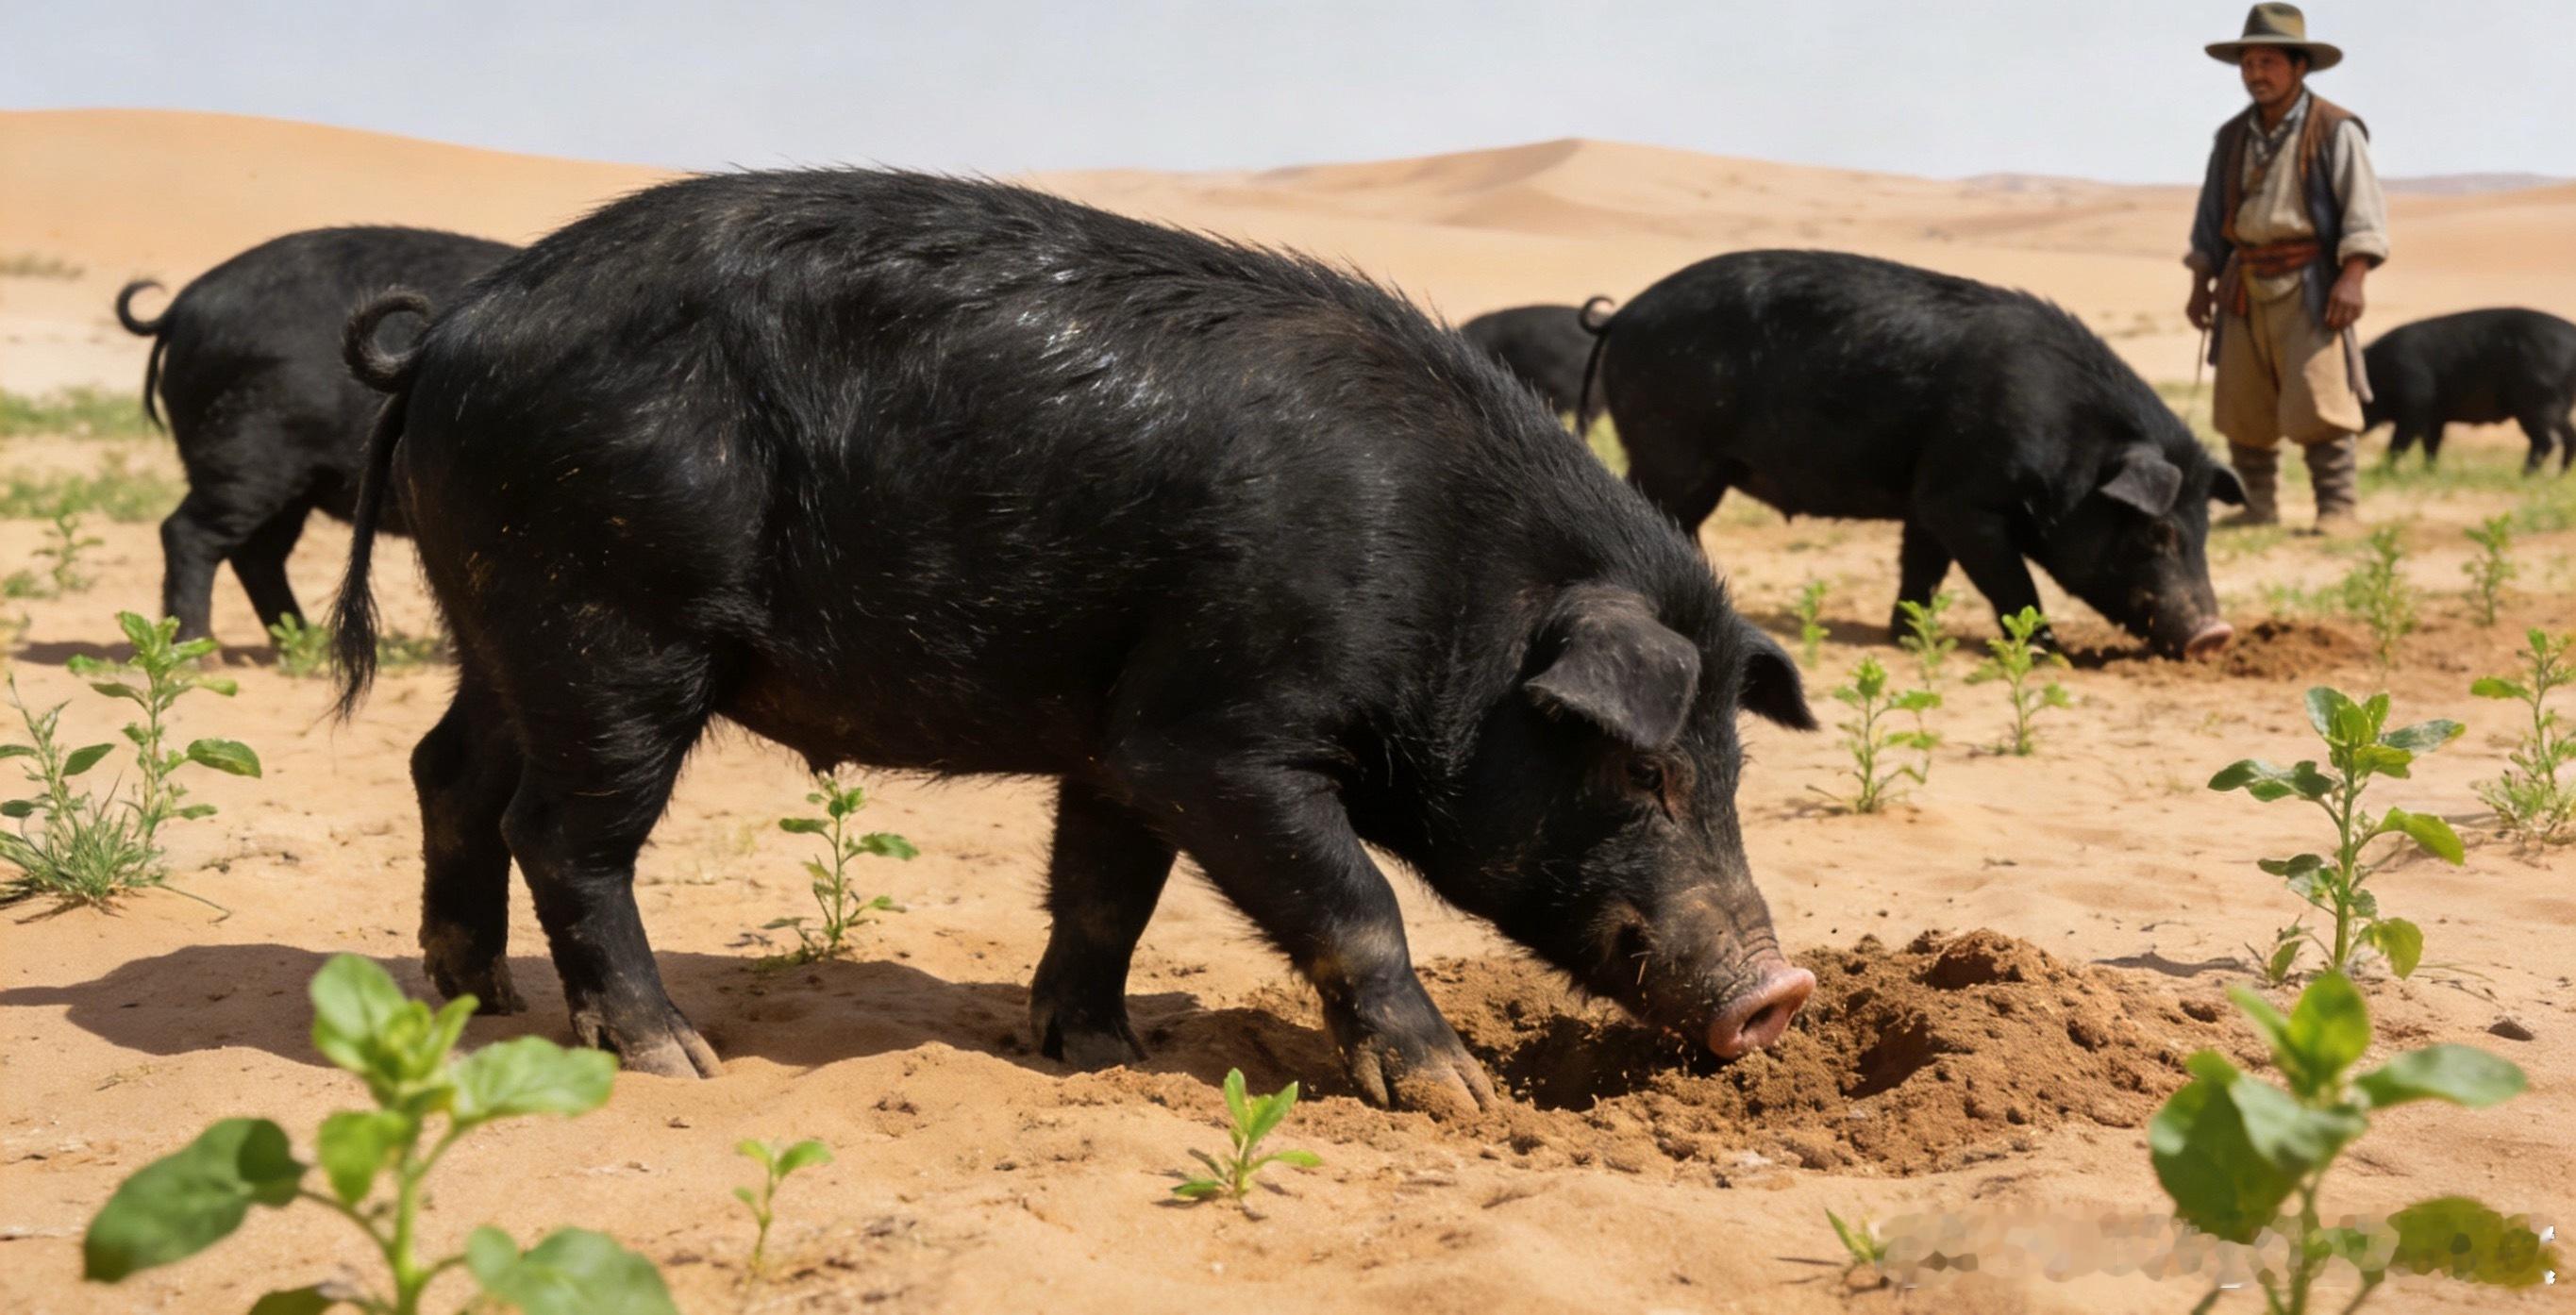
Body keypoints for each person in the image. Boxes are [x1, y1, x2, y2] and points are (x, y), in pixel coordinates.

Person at [2184, 3, 2389, 532]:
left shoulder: (2335, 129)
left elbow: (2363, 212)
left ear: (2300, 67)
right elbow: (2210, 219)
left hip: (2312, 284)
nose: (2255, 75)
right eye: (2248, 64)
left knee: (2320, 399)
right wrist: (2200, 283)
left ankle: (2337, 508)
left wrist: (2354, 276)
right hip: (2242, 285)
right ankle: (2257, 506)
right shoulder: (2231, 137)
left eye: (2268, 62)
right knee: (2242, 404)